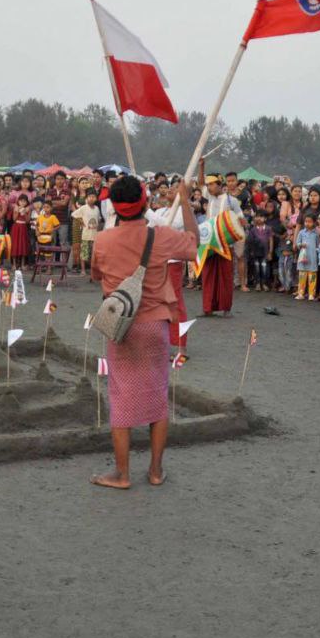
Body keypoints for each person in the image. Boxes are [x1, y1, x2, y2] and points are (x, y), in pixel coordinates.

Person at [90, 175, 199, 489]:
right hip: (155, 323)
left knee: (120, 396)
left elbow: (96, 273)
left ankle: (122, 474)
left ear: (114, 207)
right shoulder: (161, 236)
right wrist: (186, 201)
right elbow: (194, 243)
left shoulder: (103, 240)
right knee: (158, 398)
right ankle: (155, 471)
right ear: (145, 203)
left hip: (120, 324)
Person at [198, 159, 242, 316]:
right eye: (208, 185)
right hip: (209, 242)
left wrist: (236, 231)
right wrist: (201, 166)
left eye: (212, 185)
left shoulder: (233, 201)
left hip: (225, 243)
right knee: (208, 275)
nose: (208, 187)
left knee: (225, 276)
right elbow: (200, 184)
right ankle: (208, 309)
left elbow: (242, 220)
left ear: (219, 185)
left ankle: (225, 308)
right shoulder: (209, 198)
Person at [10, 194, 31, 268]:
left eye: (24, 201)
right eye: (21, 201)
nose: (22, 203)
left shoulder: (28, 209)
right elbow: (14, 219)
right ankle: (14, 264)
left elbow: (28, 221)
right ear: (18, 201)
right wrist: (18, 211)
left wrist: (24, 213)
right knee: (15, 245)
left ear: (26, 202)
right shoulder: (16, 208)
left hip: (24, 227)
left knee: (23, 245)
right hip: (16, 227)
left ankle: (22, 264)